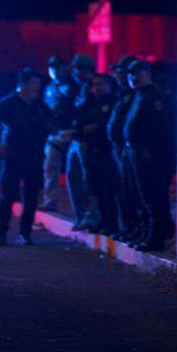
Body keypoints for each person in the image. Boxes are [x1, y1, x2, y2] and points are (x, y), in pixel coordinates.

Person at [0, 67, 55, 246]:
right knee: (8, 195)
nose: (37, 87)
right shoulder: (8, 103)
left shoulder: (40, 106)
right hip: (13, 155)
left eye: (39, 83)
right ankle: (0, 233)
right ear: (23, 84)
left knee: (31, 196)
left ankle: (25, 233)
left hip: (34, 156)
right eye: (34, 83)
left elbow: (52, 124)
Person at [123, 59, 174, 252]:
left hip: (150, 158)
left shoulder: (153, 97)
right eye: (130, 74)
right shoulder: (140, 95)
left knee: (153, 197)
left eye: (137, 73)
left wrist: (147, 151)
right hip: (137, 155)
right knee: (144, 197)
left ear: (147, 74)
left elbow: (159, 129)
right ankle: (149, 233)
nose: (133, 77)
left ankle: (156, 238)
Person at [74, 73, 120, 235]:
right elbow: (78, 125)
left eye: (101, 84)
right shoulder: (88, 105)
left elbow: (113, 127)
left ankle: (111, 222)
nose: (97, 87)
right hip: (90, 151)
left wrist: (98, 129)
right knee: (96, 189)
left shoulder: (114, 104)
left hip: (106, 152)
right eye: (95, 84)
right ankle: (101, 220)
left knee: (108, 189)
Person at [106, 56, 140, 241]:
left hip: (130, 151)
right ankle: (128, 226)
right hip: (120, 150)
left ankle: (136, 227)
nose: (116, 75)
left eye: (119, 71)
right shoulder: (122, 93)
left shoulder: (136, 94)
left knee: (133, 192)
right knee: (123, 191)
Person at [66, 53, 102, 231]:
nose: (73, 73)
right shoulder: (78, 88)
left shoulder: (96, 87)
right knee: (73, 178)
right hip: (76, 138)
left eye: (76, 69)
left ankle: (92, 216)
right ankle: (80, 216)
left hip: (88, 141)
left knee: (88, 180)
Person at [40, 55, 78, 212]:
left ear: (65, 68)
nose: (54, 71)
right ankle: (50, 201)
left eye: (57, 67)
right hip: (54, 134)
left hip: (72, 132)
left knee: (75, 171)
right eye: (51, 68)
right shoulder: (49, 87)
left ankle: (81, 205)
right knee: (49, 168)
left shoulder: (75, 86)